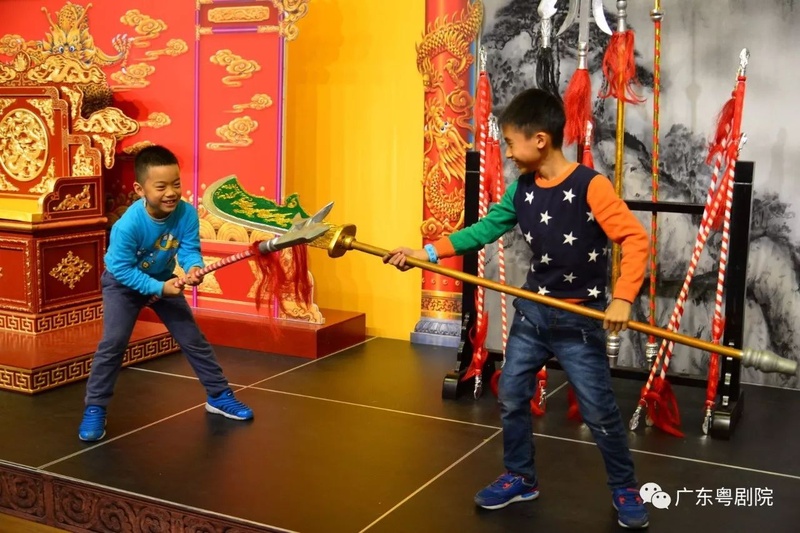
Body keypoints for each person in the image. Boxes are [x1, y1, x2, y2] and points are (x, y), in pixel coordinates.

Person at [384, 88, 650, 529]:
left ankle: (625, 487)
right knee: (511, 395)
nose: (507, 152)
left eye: (510, 142)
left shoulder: (591, 186)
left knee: (600, 411)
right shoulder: (521, 191)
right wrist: (427, 253)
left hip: (579, 319)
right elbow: (484, 230)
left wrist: (622, 298)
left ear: (540, 140)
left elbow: (635, 239)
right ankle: (520, 476)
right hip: (533, 312)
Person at [78, 145, 253, 442]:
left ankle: (219, 395)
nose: (171, 193)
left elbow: (189, 249)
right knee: (113, 344)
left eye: (176, 184)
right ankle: (95, 407)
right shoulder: (128, 226)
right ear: (140, 189)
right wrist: (159, 288)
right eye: (161, 187)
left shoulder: (186, 213)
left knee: (192, 339)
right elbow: (120, 269)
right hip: (123, 285)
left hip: (162, 280)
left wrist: (194, 267)